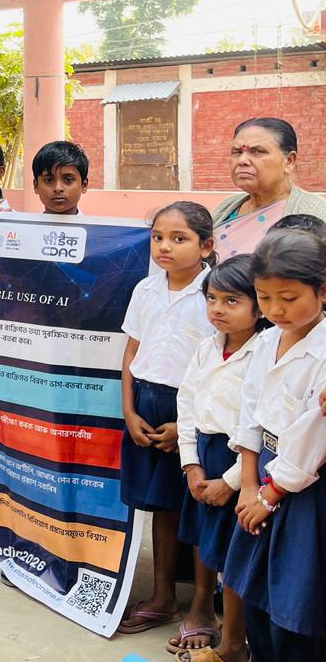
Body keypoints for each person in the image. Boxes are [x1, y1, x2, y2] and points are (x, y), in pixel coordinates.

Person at [225, 230, 326, 661]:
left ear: (323, 291)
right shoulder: (266, 341)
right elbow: (250, 415)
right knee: (256, 590)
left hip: (302, 487)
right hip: (263, 475)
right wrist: (249, 485)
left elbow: (311, 437)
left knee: (295, 602)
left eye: (289, 298)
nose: (275, 310)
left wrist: (271, 493)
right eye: (264, 298)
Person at [117, 202, 216, 635]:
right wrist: (129, 410)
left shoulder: (215, 295)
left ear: (206, 246)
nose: (165, 247)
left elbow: (222, 366)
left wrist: (186, 425)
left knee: (198, 506)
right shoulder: (146, 289)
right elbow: (132, 352)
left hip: (195, 412)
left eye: (179, 238)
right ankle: (163, 598)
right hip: (147, 404)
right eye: (158, 237)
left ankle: (202, 607)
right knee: (161, 506)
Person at [173, 254, 263, 659]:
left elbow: (259, 425)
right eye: (211, 299)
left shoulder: (264, 354)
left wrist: (230, 481)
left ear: (259, 308)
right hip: (204, 453)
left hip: (241, 462)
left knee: (235, 553)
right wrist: (191, 465)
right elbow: (187, 403)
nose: (218, 309)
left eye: (231, 301)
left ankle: (234, 643)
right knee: (205, 541)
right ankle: (205, 613)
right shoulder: (207, 348)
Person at [212, 118, 326, 261]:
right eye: (237, 152)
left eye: (258, 152)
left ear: (289, 161)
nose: (242, 161)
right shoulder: (227, 207)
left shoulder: (317, 212)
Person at [31, 141, 89, 216]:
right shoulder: (22, 223)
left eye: (68, 180)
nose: (58, 188)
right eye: (49, 180)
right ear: (36, 186)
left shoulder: (95, 224)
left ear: (84, 185)